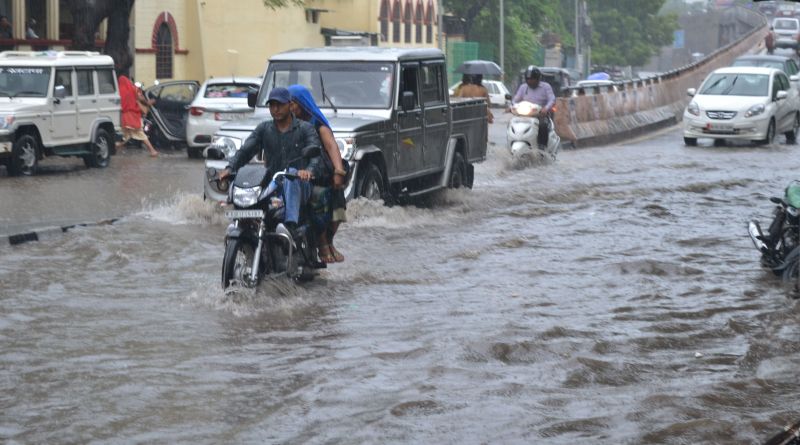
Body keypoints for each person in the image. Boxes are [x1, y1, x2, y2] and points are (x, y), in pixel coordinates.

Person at [219, 87, 324, 240]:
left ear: (290, 105)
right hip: (271, 186)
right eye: (272, 105)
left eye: (280, 104)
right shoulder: (264, 129)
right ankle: (240, 224)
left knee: (292, 174)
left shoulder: (305, 128)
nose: (276, 109)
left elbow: (316, 157)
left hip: (300, 184)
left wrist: (308, 171)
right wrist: (230, 168)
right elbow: (245, 151)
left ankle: (290, 226)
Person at [287, 84, 349, 264]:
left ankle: (328, 242)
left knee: (336, 206)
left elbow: (331, 146)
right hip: (298, 173)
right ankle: (321, 243)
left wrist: (338, 171)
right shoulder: (287, 125)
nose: (289, 108)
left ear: (302, 103)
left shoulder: (317, 124)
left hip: (322, 173)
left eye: (292, 104)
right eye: (287, 104)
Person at [512, 66, 556, 148]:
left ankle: (542, 148)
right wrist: (512, 106)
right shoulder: (523, 87)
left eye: (532, 79)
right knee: (512, 122)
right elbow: (515, 99)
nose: (530, 81)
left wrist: (546, 108)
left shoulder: (546, 87)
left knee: (542, 125)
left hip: (540, 115)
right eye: (528, 79)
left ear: (538, 79)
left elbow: (552, 99)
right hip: (524, 115)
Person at [116, 74, 159, 157]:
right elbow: (141, 98)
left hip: (124, 116)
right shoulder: (134, 89)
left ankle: (116, 147)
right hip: (134, 115)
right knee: (137, 133)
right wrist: (148, 102)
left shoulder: (118, 91)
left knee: (127, 134)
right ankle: (152, 151)